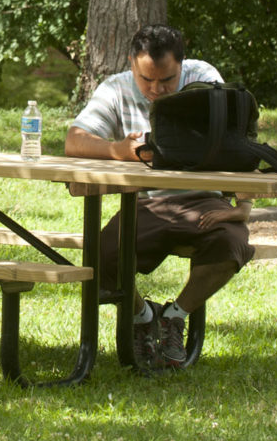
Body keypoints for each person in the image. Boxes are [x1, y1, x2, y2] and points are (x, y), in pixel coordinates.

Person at [63, 24, 254, 369]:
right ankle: (143, 316)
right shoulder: (117, 88)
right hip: (148, 204)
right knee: (100, 255)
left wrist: (243, 204)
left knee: (232, 246)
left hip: (205, 201)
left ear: (182, 64)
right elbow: (74, 141)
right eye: (145, 79)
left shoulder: (204, 81)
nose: (155, 89)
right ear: (131, 65)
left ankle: (175, 317)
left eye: (166, 80)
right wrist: (118, 150)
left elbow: (237, 139)